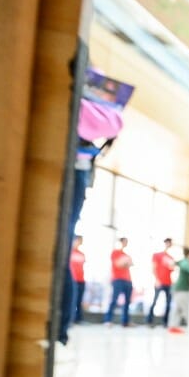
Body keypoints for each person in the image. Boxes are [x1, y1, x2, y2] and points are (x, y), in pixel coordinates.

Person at [58, 96, 124, 348]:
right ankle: (59, 331)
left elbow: (112, 123)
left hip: (75, 169)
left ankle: (59, 334)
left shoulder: (96, 105)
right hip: (72, 167)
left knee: (59, 252)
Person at [103, 237, 133, 327]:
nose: (125, 243)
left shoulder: (126, 255)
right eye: (124, 242)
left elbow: (130, 264)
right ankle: (108, 320)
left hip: (128, 279)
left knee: (127, 302)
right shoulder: (115, 252)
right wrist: (126, 263)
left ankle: (125, 322)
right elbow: (118, 264)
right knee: (114, 300)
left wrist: (126, 262)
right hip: (117, 279)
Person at [146, 238, 176, 327]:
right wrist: (157, 279)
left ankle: (165, 323)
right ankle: (149, 321)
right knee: (155, 301)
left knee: (168, 303)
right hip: (159, 282)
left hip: (168, 283)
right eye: (167, 243)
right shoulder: (157, 255)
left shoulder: (171, 258)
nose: (168, 244)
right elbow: (153, 268)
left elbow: (172, 270)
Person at [168, 246, 189, 333]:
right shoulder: (185, 262)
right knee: (185, 308)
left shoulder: (183, 262)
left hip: (179, 288)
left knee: (178, 308)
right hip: (182, 289)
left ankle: (173, 326)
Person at [69, 235, 87, 324]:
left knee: (79, 300)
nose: (80, 242)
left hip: (81, 280)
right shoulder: (70, 252)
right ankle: (70, 319)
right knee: (72, 299)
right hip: (73, 279)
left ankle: (78, 319)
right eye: (79, 240)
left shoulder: (82, 254)